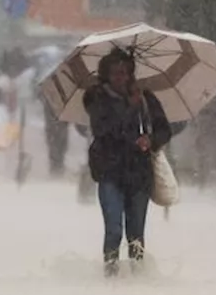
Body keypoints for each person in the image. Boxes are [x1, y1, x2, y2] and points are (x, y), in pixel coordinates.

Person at [82, 47, 172, 277]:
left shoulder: (146, 98)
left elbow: (164, 130)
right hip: (110, 173)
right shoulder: (96, 99)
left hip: (139, 174)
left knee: (136, 235)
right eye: (115, 73)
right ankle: (110, 277)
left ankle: (137, 280)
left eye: (125, 72)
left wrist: (150, 140)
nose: (121, 78)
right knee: (113, 230)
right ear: (107, 75)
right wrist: (130, 108)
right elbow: (103, 130)